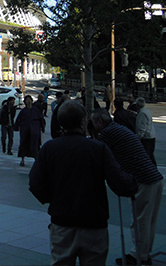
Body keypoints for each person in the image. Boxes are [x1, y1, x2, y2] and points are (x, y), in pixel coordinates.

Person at [29, 101, 137, 266]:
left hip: (62, 222)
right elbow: (120, 183)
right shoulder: (98, 148)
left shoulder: (49, 148)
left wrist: (53, 199)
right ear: (82, 122)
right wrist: (132, 182)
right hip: (94, 223)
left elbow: (35, 184)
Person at [90, 109, 164, 266]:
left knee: (140, 220)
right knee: (149, 221)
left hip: (143, 180)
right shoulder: (119, 128)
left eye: (93, 122)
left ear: (100, 122)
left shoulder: (107, 134)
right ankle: (143, 253)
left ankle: (139, 256)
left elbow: (97, 152)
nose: (91, 125)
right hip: (154, 177)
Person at [14, 95, 45, 166]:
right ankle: (22, 160)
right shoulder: (23, 111)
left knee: (35, 145)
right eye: (27, 100)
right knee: (24, 145)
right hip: (25, 130)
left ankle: (36, 160)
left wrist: (42, 128)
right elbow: (18, 120)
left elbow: (41, 119)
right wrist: (16, 127)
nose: (28, 101)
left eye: (29, 100)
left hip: (34, 130)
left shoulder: (36, 110)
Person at [135, 97, 157, 166]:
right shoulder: (147, 111)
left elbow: (142, 127)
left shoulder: (142, 114)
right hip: (151, 135)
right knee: (150, 154)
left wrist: (138, 137)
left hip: (146, 137)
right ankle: (153, 168)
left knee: (147, 155)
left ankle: (150, 169)